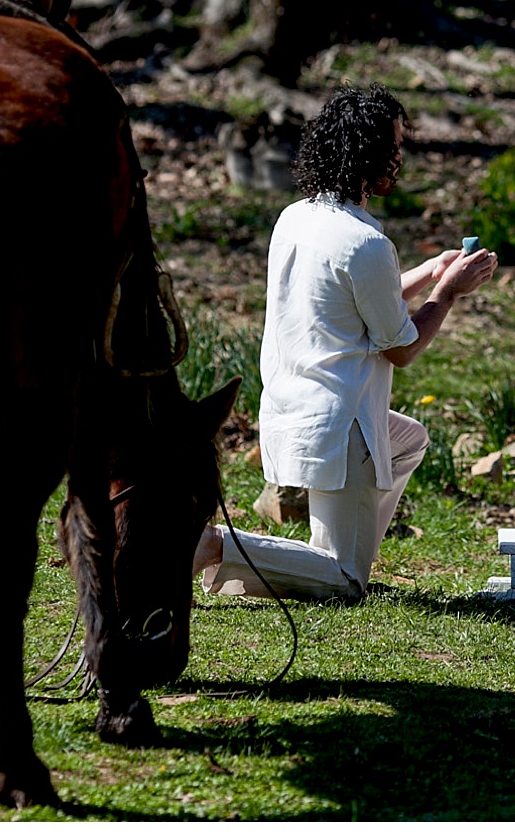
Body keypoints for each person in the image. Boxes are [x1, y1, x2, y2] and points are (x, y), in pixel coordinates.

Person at [191, 85, 498, 600]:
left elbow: (348, 302)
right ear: (366, 154)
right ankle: (215, 546)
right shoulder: (367, 242)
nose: (400, 159)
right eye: (394, 148)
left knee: (409, 440)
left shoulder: (296, 217)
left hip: (291, 413)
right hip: (339, 429)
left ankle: (316, 562)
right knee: (347, 584)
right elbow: (400, 347)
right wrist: (448, 291)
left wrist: (427, 271)